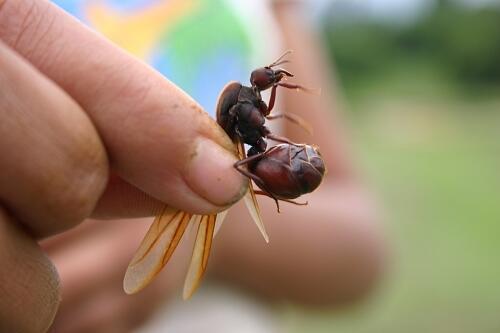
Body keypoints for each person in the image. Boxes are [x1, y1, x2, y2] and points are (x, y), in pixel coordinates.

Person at [0, 1, 385, 332]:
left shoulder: (269, 10)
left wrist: (211, 229)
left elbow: (361, 245)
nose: (273, 80)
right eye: (270, 79)